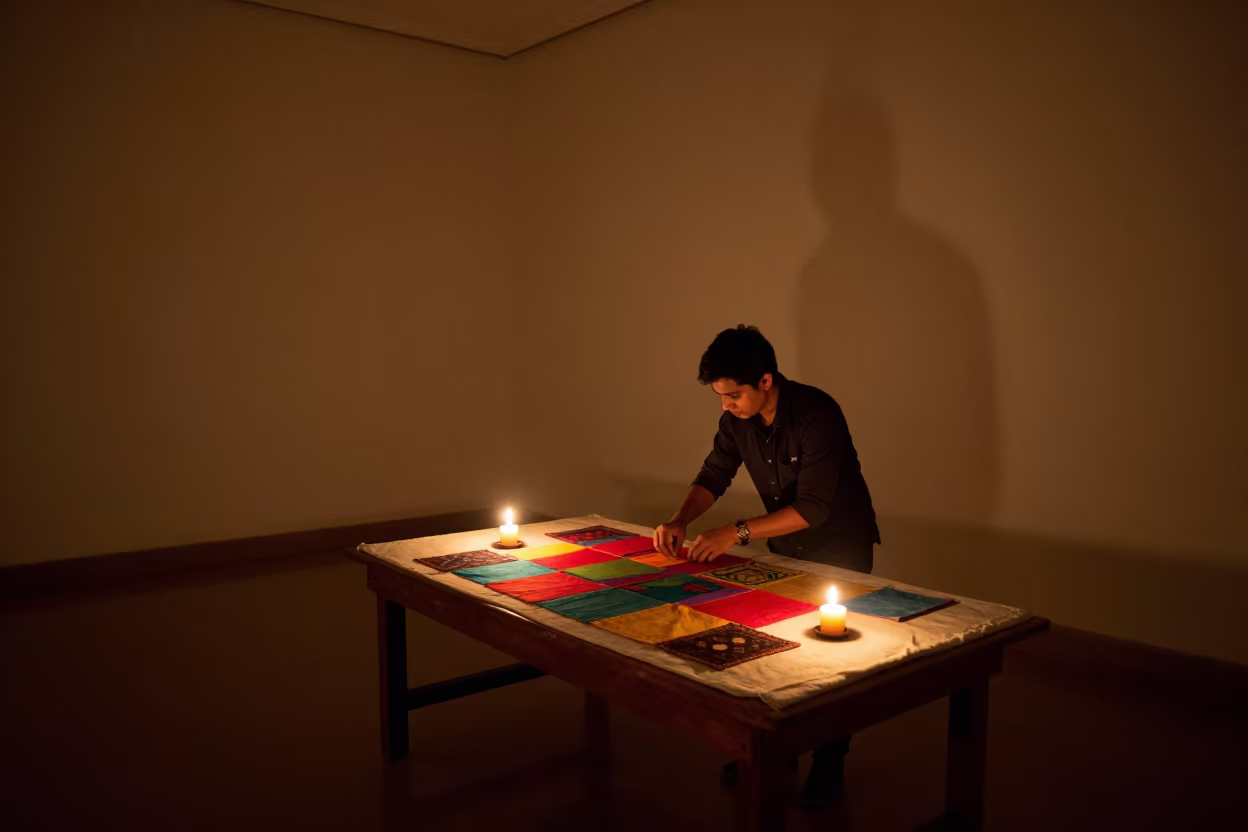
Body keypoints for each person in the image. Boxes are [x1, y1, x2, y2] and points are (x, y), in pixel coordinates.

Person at [653, 324, 879, 807]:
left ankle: (829, 763)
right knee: (777, 648)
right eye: (720, 396)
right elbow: (714, 473)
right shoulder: (737, 421)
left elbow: (815, 507)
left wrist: (733, 532)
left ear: (766, 381)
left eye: (734, 394)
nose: (726, 405)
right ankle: (780, 750)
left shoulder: (818, 413)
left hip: (840, 546)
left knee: (832, 660)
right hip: (786, 546)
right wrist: (680, 519)